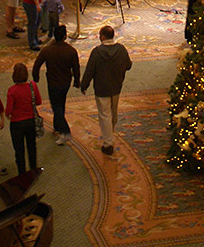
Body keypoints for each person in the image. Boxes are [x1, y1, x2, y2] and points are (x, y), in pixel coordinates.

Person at [80, 24, 132, 156]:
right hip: (116, 86)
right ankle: (110, 133)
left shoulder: (97, 52)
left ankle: (108, 143)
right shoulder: (121, 49)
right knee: (113, 113)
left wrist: (84, 85)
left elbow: (89, 71)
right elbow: (128, 66)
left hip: (102, 88)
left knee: (104, 115)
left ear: (103, 36)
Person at [32, 24, 80, 146]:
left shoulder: (47, 50)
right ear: (65, 36)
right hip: (65, 83)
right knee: (61, 104)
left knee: (56, 107)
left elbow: (37, 65)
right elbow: (76, 68)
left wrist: (36, 78)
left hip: (53, 83)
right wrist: (77, 81)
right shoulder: (71, 51)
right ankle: (57, 128)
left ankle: (65, 131)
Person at [5, 62, 41, 175]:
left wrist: (7, 115)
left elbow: (9, 110)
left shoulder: (12, 90)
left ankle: (22, 173)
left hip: (17, 123)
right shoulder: (33, 86)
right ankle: (33, 169)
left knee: (19, 150)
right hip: (30, 121)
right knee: (32, 146)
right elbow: (38, 101)